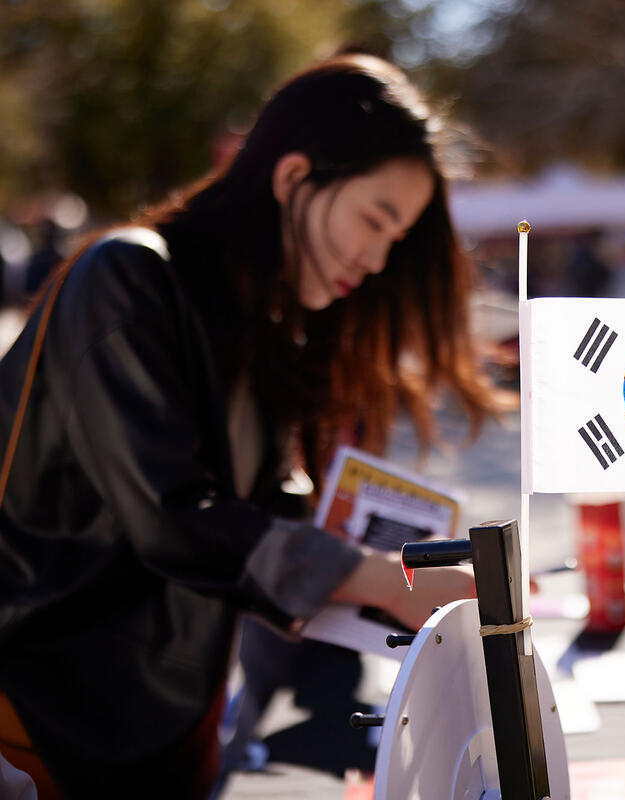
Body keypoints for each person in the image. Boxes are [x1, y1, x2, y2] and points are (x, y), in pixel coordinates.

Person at [0, 54, 491, 798]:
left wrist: (395, 565)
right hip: (40, 721)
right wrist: (379, 579)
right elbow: (173, 517)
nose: (378, 256)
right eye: (374, 218)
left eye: (398, 236)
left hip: (164, 731)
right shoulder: (125, 278)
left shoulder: (263, 325)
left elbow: (268, 508)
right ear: (295, 177)